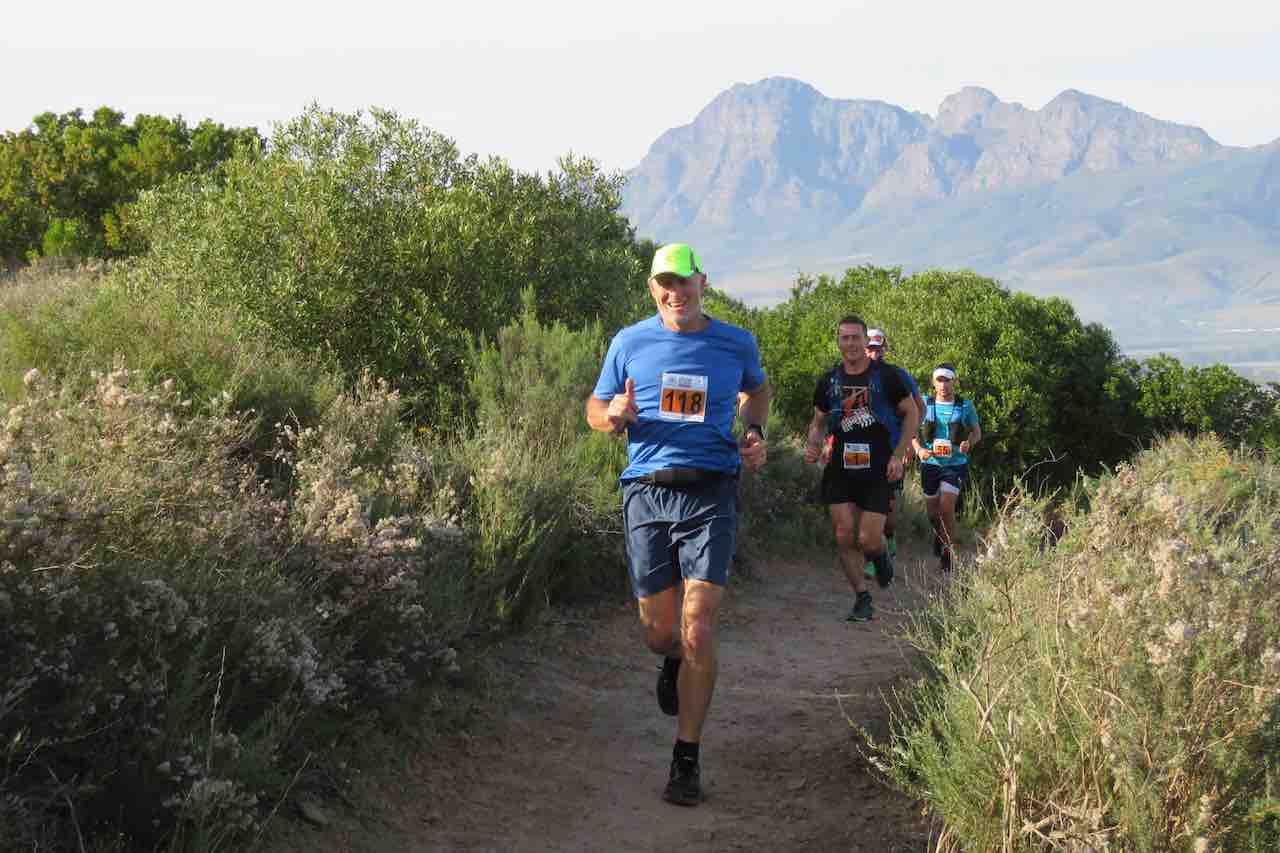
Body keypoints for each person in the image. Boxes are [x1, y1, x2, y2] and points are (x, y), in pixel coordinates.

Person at [585, 242, 770, 807]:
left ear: (702, 283)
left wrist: (754, 432)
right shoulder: (629, 342)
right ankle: (671, 661)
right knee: (660, 633)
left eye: (684, 282)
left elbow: (757, 390)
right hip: (646, 493)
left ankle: (685, 758)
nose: (675, 293)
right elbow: (595, 408)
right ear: (652, 288)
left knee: (698, 627)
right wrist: (612, 416)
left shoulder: (734, 342)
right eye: (665, 283)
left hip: (711, 490)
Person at [804, 317, 919, 622]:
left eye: (856, 338)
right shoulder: (829, 381)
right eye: (845, 338)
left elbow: (912, 414)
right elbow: (817, 422)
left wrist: (899, 453)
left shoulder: (888, 377)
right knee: (843, 534)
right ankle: (862, 597)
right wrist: (813, 444)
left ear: (865, 341)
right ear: (838, 342)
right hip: (841, 465)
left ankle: (880, 557)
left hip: (878, 466)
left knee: (869, 539)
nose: (851, 344)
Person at [862, 328, 925, 582]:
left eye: (877, 348)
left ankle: (888, 540)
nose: (873, 353)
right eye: (870, 348)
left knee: (887, 511)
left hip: (891, 448)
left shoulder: (898, 376)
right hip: (862, 449)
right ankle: (872, 558)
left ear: (884, 348)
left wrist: (910, 441)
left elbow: (918, 408)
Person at [911, 363, 982, 571]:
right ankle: (940, 538)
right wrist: (918, 450)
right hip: (930, 464)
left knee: (946, 507)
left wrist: (969, 443)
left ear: (954, 382)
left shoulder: (965, 405)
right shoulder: (924, 404)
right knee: (933, 512)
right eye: (939, 380)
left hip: (955, 464)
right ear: (933, 382)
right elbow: (911, 431)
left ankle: (948, 552)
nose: (943, 384)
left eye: (947, 380)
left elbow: (976, 432)